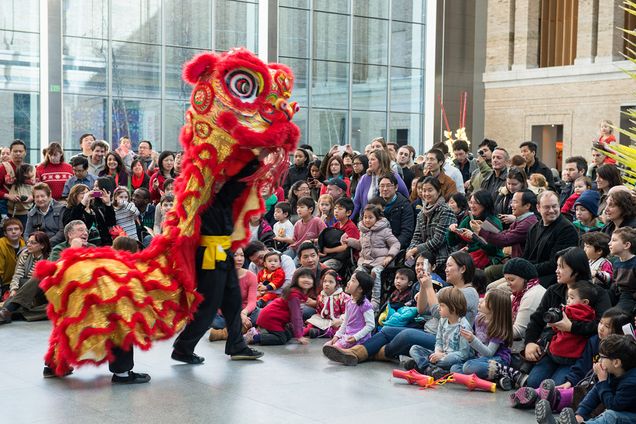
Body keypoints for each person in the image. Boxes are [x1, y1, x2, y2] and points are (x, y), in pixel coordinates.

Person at [171, 159, 264, 364]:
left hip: (223, 253)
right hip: (211, 256)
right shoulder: (205, 198)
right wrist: (253, 161)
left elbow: (232, 188)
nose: (221, 179)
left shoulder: (214, 196)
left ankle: (236, 345)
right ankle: (183, 348)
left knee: (232, 302)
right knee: (209, 307)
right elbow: (233, 187)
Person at [324, 252, 480, 366]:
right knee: (388, 329)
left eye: (450, 266)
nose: (446, 269)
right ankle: (356, 353)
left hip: (448, 344)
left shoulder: (470, 293)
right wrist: (424, 288)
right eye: (445, 266)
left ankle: (368, 354)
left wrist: (428, 287)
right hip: (431, 333)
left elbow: (437, 313)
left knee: (406, 335)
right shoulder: (447, 291)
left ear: (463, 269)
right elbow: (422, 310)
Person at [521, 248, 611, 389]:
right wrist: (529, 343)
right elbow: (537, 319)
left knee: (556, 387)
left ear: (576, 269)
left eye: (561, 267)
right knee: (533, 383)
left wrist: (571, 327)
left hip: (577, 354)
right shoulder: (553, 290)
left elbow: (602, 325)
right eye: (557, 266)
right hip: (553, 349)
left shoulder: (597, 293)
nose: (557, 270)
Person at [510, 308, 631, 411]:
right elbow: (582, 365)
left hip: (600, 387)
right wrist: (570, 381)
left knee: (572, 395)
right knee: (562, 387)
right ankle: (532, 395)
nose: (601, 328)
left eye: (607, 326)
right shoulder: (594, 341)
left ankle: (545, 401)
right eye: (601, 323)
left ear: (620, 332)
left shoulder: (622, 352)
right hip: (589, 383)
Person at [535, 335, 636, 424]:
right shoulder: (613, 372)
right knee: (605, 415)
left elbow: (613, 405)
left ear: (616, 363)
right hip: (623, 412)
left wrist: (603, 382)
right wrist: (580, 414)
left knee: (611, 416)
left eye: (602, 357)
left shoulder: (631, 382)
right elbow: (594, 394)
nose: (599, 361)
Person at [525, 281, 598, 390]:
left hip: (567, 358)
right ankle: (542, 394)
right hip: (559, 355)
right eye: (568, 297)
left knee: (547, 385)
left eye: (572, 298)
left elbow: (556, 323)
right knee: (544, 384)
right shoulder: (592, 314)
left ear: (585, 302)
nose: (568, 300)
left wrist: (558, 318)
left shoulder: (570, 311)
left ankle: (538, 395)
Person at [406, 287, 472, 378]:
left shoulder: (463, 326)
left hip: (452, 358)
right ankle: (428, 369)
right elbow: (439, 340)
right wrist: (437, 352)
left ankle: (423, 366)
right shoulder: (443, 320)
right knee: (414, 349)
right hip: (440, 354)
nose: (438, 308)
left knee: (449, 361)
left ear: (452, 307)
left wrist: (442, 356)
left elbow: (463, 354)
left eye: (442, 305)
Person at [450, 289, 513, 382]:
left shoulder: (498, 328)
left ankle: (505, 372)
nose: (480, 300)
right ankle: (497, 379)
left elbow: (489, 353)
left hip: (497, 360)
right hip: (480, 358)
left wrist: (472, 339)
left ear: (494, 308)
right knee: (454, 368)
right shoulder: (478, 319)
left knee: (468, 367)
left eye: (485, 300)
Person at [344, 204, 400, 311]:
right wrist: (349, 241)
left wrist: (390, 256)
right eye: (365, 217)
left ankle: (375, 303)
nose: (367, 220)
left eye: (370, 217)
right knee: (357, 274)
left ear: (377, 218)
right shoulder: (363, 231)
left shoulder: (384, 231)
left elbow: (395, 244)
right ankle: (355, 298)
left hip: (381, 261)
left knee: (375, 272)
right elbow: (361, 245)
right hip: (366, 261)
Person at [523, 191, 580, 288]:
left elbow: (555, 264)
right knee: (494, 287)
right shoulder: (534, 228)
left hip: (551, 278)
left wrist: (527, 269)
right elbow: (527, 256)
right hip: (530, 274)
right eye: (547, 207)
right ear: (538, 208)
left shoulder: (567, 229)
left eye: (554, 206)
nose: (551, 210)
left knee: (503, 290)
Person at [244, 267, 313, 346]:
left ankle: (258, 333)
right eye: (303, 277)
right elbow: (296, 316)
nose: (307, 280)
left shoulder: (300, 294)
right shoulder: (294, 295)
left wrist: (299, 332)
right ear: (296, 280)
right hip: (271, 318)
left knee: (288, 335)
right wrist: (299, 336)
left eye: (309, 278)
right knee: (281, 339)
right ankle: (255, 337)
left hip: (277, 319)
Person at [405, 176, 456, 277]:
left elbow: (438, 240)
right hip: (424, 257)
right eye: (424, 190)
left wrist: (415, 250)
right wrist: (410, 251)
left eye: (430, 190)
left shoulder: (446, 211)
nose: (426, 194)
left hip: (442, 258)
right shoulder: (421, 213)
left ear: (438, 191)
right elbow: (417, 236)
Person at [208, 247, 259, 342]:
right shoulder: (220, 276)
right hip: (225, 314)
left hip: (245, 312)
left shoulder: (251, 276)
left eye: (242, 255)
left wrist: (243, 313)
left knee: (259, 314)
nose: (239, 259)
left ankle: (223, 333)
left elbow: (252, 301)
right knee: (215, 321)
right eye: (235, 255)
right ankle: (243, 329)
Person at [0, 232, 50, 324]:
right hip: (24, 291)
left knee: (53, 309)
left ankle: (11, 312)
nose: (28, 245)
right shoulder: (25, 254)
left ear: (42, 245)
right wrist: (14, 289)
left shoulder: (49, 258)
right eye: (28, 242)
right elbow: (17, 274)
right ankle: (9, 312)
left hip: (42, 292)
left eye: (33, 243)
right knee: (7, 305)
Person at [448, 189, 504, 269]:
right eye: (471, 202)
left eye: (476, 203)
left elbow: (492, 250)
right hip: (474, 257)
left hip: (491, 259)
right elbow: (452, 242)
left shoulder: (493, 221)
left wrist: (474, 237)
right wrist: (452, 230)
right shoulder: (469, 219)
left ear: (485, 204)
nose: (472, 206)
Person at [322, 270, 375, 354]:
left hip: (360, 338)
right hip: (348, 336)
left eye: (353, 281)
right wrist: (337, 335)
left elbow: (371, 325)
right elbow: (345, 322)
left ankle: (350, 352)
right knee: (327, 346)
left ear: (360, 289)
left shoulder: (365, 305)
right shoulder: (349, 301)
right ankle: (347, 352)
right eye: (350, 279)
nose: (348, 282)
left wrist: (356, 337)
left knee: (335, 349)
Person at [503, 258, 546, 354]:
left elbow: (519, 331)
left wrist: (491, 332)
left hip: (531, 344)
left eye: (511, 279)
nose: (508, 284)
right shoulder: (518, 294)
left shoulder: (532, 294)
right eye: (506, 280)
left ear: (525, 278)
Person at [352, 149, 408, 219]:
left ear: (381, 161)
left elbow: (405, 196)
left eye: (372, 159)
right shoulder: (365, 178)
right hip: (368, 221)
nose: (369, 162)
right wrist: (351, 219)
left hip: (390, 220)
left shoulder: (394, 176)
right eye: (369, 159)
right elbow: (357, 202)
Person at [304, 269, 349, 338]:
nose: (327, 284)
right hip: (324, 319)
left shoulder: (343, 297)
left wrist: (340, 320)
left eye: (331, 282)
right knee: (311, 323)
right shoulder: (321, 296)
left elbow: (347, 312)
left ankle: (319, 332)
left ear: (336, 284)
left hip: (336, 321)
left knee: (337, 330)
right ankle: (300, 331)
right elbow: (319, 310)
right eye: (325, 281)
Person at [379, 173, 415, 250]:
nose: (385, 189)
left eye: (388, 185)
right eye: (382, 186)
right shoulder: (375, 204)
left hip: (396, 246)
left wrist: (394, 247)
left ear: (396, 187)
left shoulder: (405, 205)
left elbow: (406, 232)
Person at [608, 227, 636, 314]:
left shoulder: (634, 263)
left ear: (626, 245)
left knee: (615, 315)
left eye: (614, 240)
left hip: (630, 298)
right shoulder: (616, 262)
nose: (609, 243)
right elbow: (615, 284)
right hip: (618, 294)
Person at [0, 218, 25, 297]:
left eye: (16, 229)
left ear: (21, 231)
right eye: (9, 230)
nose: (13, 231)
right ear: (5, 233)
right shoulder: (1, 244)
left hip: (19, 281)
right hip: (4, 283)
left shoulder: (25, 244)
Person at [0, 140, 28, 208]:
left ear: (25, 153)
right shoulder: (2, 168)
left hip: (25, 210)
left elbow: (37, 189)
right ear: (11, 152)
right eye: (15, 151)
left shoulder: (30, 169)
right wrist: (8, 196)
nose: (18, 153)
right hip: (6, 210)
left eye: (20, 151)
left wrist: (31, 197)